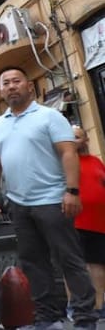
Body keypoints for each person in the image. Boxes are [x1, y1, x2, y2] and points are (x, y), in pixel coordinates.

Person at [0, 67, 97, 330]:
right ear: (0, 90)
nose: (11, 86)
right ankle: (47, 318)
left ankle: (85, 318)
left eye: (16, 81)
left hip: (53, 200)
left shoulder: (50, 116)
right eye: (6, 83)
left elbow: (68, 153)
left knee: (69, 260)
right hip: (18, 204)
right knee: (33, 263)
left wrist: (72, 191)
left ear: (30, 86)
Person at [73, 126, 105, 313]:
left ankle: (100, 304)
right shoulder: (67, 162)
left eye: (77, 137)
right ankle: (81, 305)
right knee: (81, 263)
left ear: (86, 139)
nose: (74, 140)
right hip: (78, 219)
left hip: (99, 220)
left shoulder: (95, 161)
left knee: (98, 262)